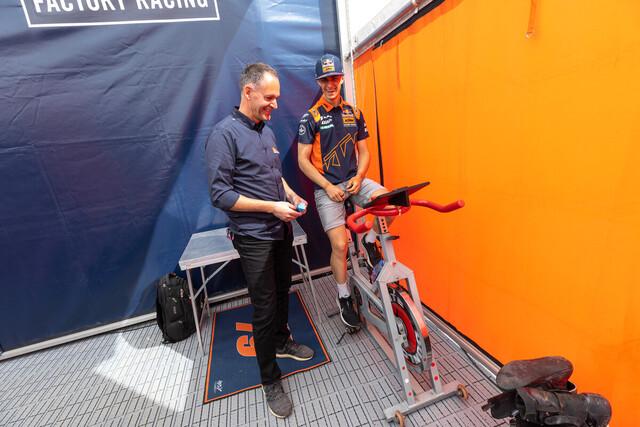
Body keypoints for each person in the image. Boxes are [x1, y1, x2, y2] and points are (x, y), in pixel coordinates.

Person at [205, 63, 314, 419]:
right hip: (253, 237)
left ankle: (282, 342)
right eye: (269, 97)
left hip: (280, 229)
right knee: (264, 308)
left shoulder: (265, 131)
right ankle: (270, 378)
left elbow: (275, 176)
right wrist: (271, 207)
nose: (275, 105)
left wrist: (291, 196)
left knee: (283, 293)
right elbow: (221, 195)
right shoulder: (224, 135)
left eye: (277, 98)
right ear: (248, 91)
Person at [297, 53, 391, 329]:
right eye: (325, 79)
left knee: (389, 201)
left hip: (354, 181)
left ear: (341, 78)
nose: (330, 84)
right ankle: (344, 296)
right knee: (340, 245)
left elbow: (364, 151)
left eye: (334, 78)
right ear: (318, 82)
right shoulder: (310, 117)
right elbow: (302, 160)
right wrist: (327, 186)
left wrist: (360, 176)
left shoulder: (354, 112)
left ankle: (370, 242)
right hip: (326, 189)